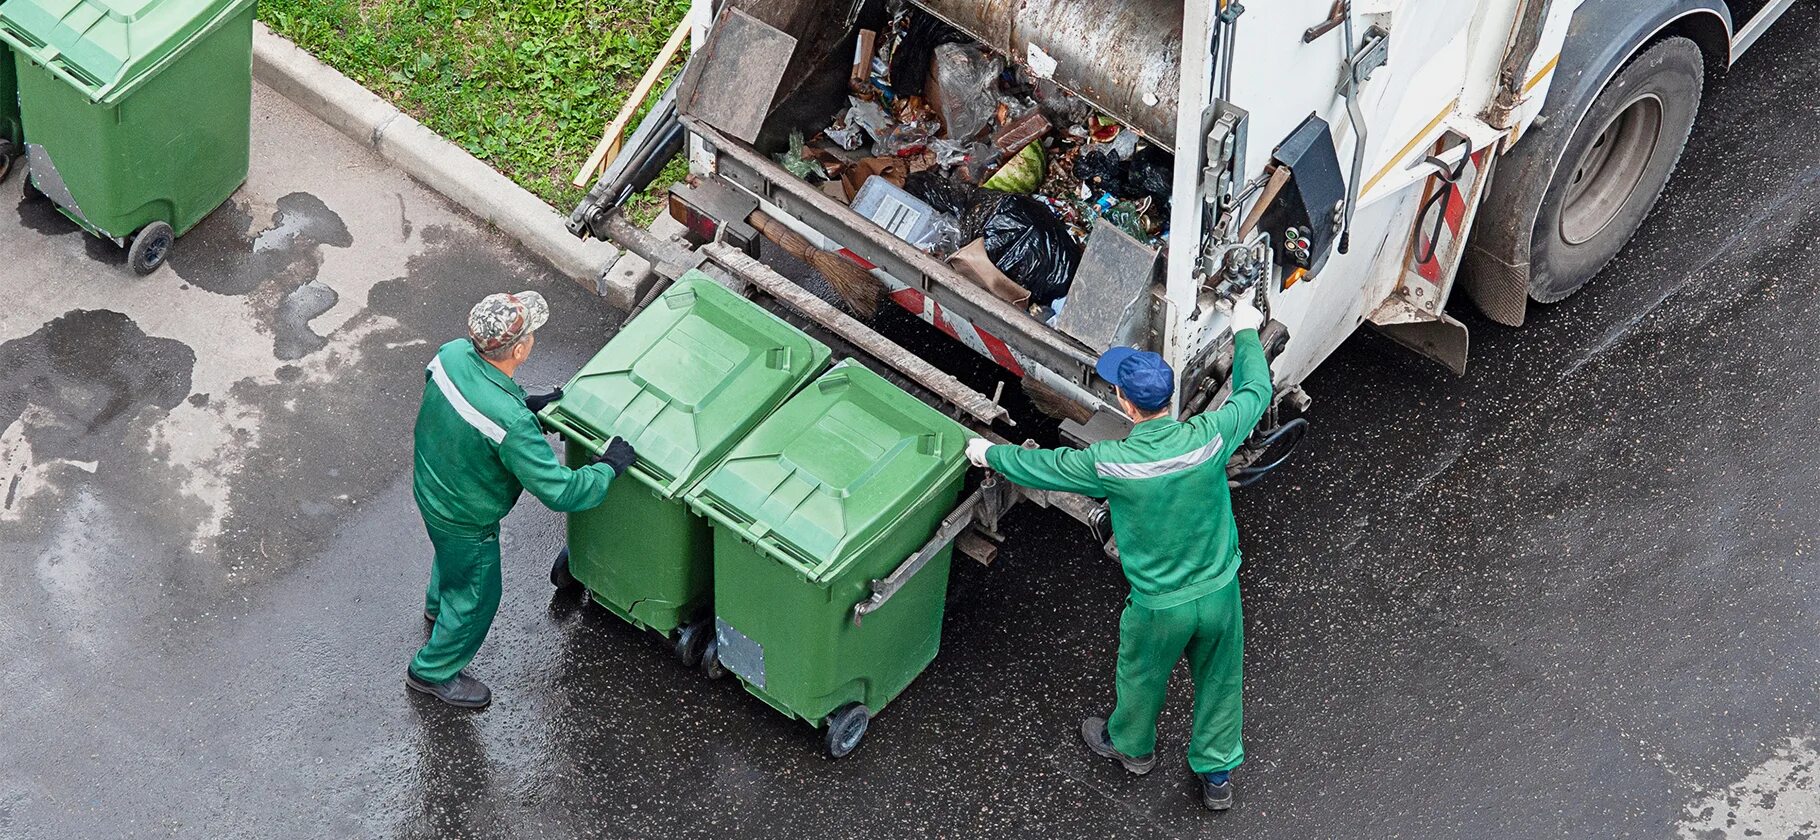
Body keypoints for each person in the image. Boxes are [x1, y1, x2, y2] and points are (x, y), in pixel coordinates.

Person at [965, 297, 1271, 811]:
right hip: (1220, 593)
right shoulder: (1210, 437)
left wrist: (988, 452)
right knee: (1221, 680)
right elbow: (1255, 390)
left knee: (1142, 674)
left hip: (1159, 606)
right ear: (1168, 400)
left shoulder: (1113, 462)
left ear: (1127, 405)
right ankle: (1217, 776)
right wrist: (1244, 332)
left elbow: (1049, 469)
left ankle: (1132, 749)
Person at [406, 290, 636, 708]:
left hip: (431, 484)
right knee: (477, 596)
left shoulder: (451, 355)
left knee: (451, 560)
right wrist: (608, 467)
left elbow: (467, 407)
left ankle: (438, 608)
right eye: (531, 332)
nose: (534, 337)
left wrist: (525, 406)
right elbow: (561, 491)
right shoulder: (511, 425)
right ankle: (432, 672)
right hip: (466, 515)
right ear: (519, 348)